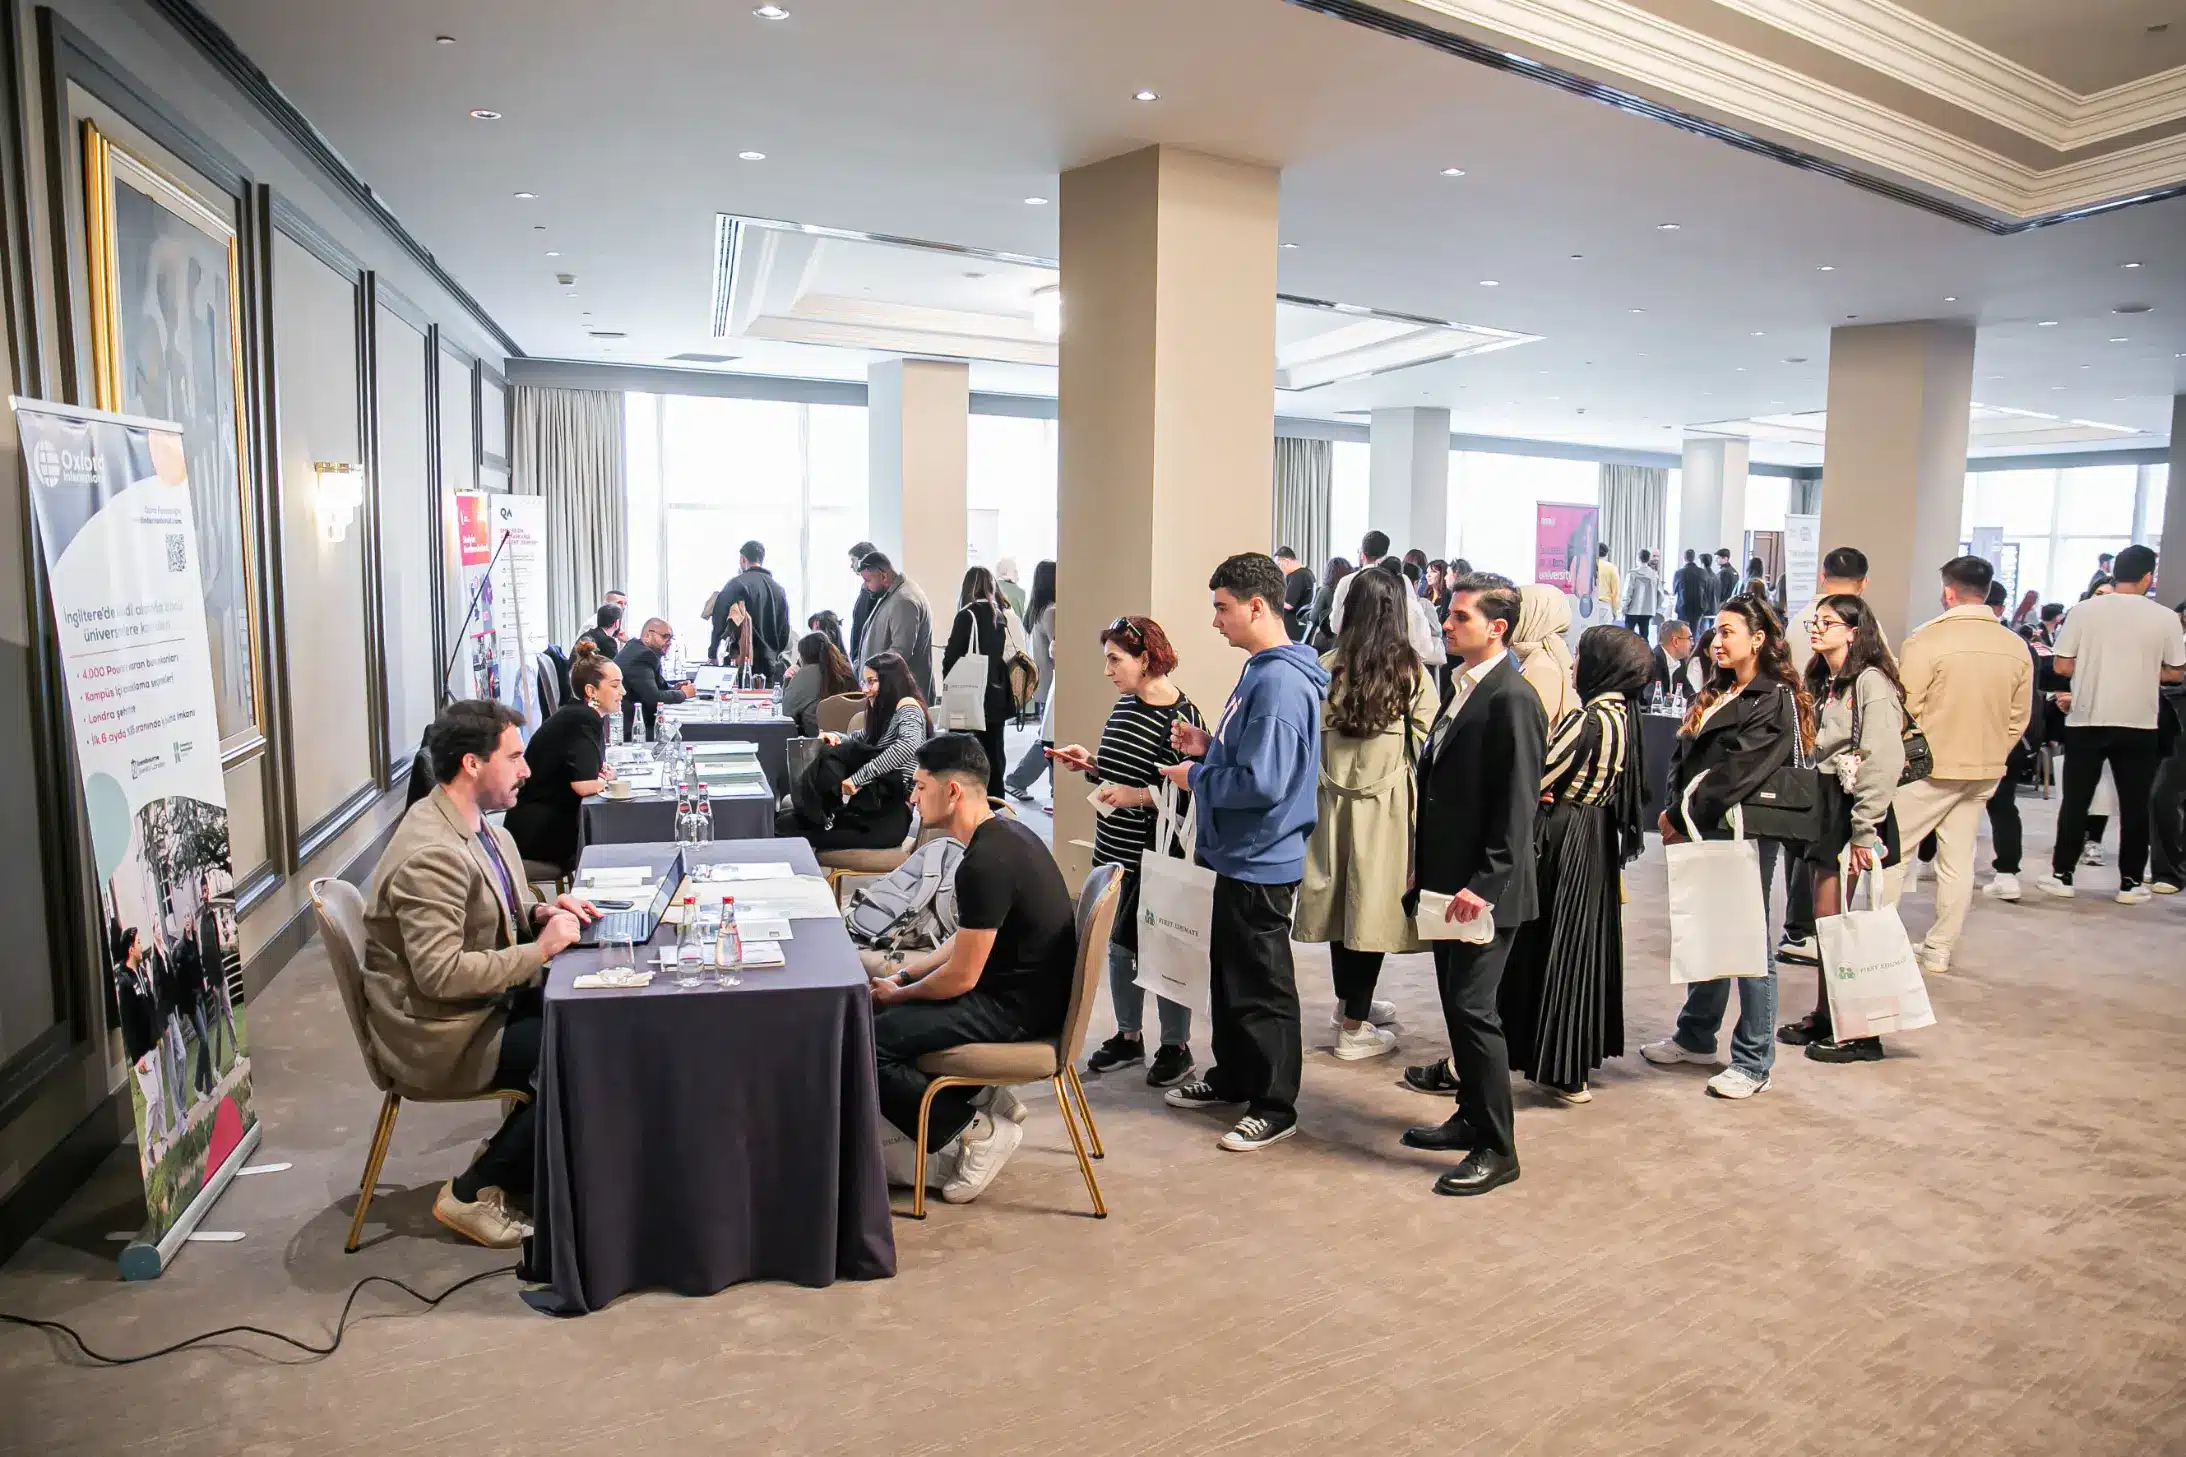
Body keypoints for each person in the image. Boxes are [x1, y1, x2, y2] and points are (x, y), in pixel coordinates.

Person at [362, 700, 598, 1248]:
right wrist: (540, 950)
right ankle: (472, 1191)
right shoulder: (431, 855)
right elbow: (441, 975)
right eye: (513, 758)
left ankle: (523, 1165)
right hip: (439, 1033)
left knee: (594, 1022)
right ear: (472, 764)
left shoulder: (477, 827)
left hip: (476, 1007)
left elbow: (487, 914)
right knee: (583, 1050)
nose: (527, 770)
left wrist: (541, 914)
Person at [1157, 554, 1327, 1153]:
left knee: (1262, 986)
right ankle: (1234, 1075)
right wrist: (1211, 747)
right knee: (1231, 979)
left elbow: (1264, 782)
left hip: (1260, 857)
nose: (1216, 621)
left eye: (1222, 608)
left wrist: (1197, 777)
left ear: (1257, 606)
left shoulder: (1279, 682)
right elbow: (1255, 756)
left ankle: (1275, 1104)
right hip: (1236, 852)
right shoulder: (1263, 671)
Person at [869, 735, 1077, 1205]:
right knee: (885, 1016)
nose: (913, 798)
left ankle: (975, 1131)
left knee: (870, 1040)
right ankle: (985, 1098)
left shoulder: (985, 863)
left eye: (920, 787)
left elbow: (961, 978)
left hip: (1017, 1010)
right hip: (1024, 993)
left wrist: (899, 995)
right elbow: (966, 941)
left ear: (952, 792)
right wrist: (905, 978)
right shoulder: (1006, 833)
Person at [1397, 572, 1545, 1197]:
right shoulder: (1463, 686)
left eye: (1460, 617)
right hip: (1447, 881)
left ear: (1497, 628)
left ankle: (1498, 1147)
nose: (1447, 624)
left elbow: (1517, 804)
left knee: (1474, 1010)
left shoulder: (1512, 698)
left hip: (1484, 889)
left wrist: (1486, 882)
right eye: (1449, 614)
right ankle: (1469, 1117)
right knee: (1456, 1004)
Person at [1640, 595, 1810, 1100]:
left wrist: (1680, 813)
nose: (1717, 641)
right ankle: (1695, 1035)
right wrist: (1676, 810)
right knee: (1709, 932)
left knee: (1749, 942)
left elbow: (1740, 770)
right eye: (1716, 631)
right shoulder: (1720, 689)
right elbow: (1687, 755)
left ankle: (1754, 1061)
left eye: (1729, 631)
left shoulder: (1772, 697)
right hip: (1705, 824)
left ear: (1758, 639)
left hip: (1743, 831)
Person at [1049, 616, 1205, 1086]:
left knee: (1164, 947)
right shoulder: (1124, 706)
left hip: (1158, 855)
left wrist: (1136, 797)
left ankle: (1176, 1045)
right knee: (1119, 947)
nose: (1108, 670)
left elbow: (1194, 791)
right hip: (1114, 850)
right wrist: (1090, 764)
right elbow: (1120, 770)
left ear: (1146, 659)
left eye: (1115, 660)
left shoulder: (1183, 719)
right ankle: (1129, 1035)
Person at [1500, 625, 1651, 1105]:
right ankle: (1570, 1065)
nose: (1572, 664)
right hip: (1595, 837)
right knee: (1581, 947)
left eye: (1581, 655)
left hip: (1565, 836)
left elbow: (1536, 773)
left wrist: (1537, 789)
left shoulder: (1588, 720)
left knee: (1549, 945)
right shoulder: (1624, 717)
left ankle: (1555, 1066)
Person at [1294, 567, 1435, 1062]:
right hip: (1387, 807)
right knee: (1372, 907)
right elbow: (1429, 743)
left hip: (1329, 804)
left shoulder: (1324, 666)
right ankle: (1354, 1028)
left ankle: (1348, 1005)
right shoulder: (1410, 672)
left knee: (1339, 903)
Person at [1878, 557, 2030, 971]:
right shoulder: (2015, 646)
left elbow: (1905, 710)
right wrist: (1993, 751)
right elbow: (2019, 717)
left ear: (1948, 591)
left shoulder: (1927, 640)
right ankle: (1939, 950)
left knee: (1892, 854)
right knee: (1959, 861)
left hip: (1928, 769)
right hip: (1984, 769)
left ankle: (1879, 946)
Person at [1776, 594, 1906, 1063]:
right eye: (1815, 621)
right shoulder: (1824, 679)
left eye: (1827, 622)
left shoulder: (1871, 682)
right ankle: (1827, 1013)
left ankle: (1858, 1030)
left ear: (1854, 631)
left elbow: (1883, 758)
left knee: (1839, 921)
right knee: (1826, 920)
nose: (1816, 628)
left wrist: (1865, 831)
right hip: (1825, 800)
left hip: (1853, 808)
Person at [2042, 545, 2186, 902]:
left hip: (2086, 719)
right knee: (2134, 806)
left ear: (2114, 572)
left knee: (2076, 801)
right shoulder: (2165, 617)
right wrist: (2143, 669)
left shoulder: (2083, 611)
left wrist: (2095, 668)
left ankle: (2062, 875)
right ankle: (2131, 883)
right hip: (2139, 722)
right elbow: (2175, 672)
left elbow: (2061, 665)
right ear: (2148, 577)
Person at [780, 652, 930, 850]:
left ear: (891, 682)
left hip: (888, 819)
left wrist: (858, 778)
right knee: (784, 822)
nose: (866, 690)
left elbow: (908, 746)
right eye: (865, 682)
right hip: (871, 811)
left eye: (872, 682)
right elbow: (861, 738)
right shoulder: (887, 713)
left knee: (786, 827)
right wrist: (834, 736)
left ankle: (816, 809)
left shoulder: (907, 706)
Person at [504, 640, 623, 875]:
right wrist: (605, 781)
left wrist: (600, 778)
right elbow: (584, 785)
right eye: (615, 685)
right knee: (618, 839)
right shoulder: (582, 720)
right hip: (539, 833)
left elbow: (587, 773)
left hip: (536, 822)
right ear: (591, 691)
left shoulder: (578, 714)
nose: (623, 692)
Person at [1981, 579, 2044, 904]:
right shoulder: (2020, 646)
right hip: (2008, 738)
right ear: (2002, 608)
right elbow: (2028, 702)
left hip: (1958, 735)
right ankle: (2007, 873)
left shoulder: (1939, 638)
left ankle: (1926, 861)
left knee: (1943, 801)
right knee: (2003, 804)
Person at [942, 566, 1016, 799]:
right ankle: (996, 802)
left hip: (970, 694)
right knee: (994, 753)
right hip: (996, 694)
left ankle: (967, 802)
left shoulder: (967, 615)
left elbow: (951, 659)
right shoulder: (999, 615)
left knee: (964, 754)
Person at [1328, 530, 1447, 670]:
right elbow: (1419, 638)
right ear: (1385, 553)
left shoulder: (1347, 581)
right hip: (1398, 665)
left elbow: (1336, 625)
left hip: (1352, 660)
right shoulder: (1403, 581)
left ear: (1362, 555)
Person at [1005, 560, 1059, 799]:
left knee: (1051, 738)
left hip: (1042, 682)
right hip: (1052, 683)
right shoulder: (1052, 611)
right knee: (1049, 740)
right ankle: (1018, 779)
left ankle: (1054, 791)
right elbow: (1058, 649)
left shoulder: (1037, 610)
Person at [857, 551, 937, 701]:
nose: (865, 585)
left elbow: (900, 652)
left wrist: (872, 674)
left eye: (867, 580)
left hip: (902, 697)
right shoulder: (893, 594)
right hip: (892, 693)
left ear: (884, 576)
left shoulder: (904, 600)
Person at [1787, 546, 1873, 676]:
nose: (1815, 629)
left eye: (1827, 623)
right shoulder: (1865, 621)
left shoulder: (1797, 620)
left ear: (1822, 578)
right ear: (1864, 582)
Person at [2149, 600, 2186, 896]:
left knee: (2164, 795)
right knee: (2161, 796)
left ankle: (2171, 870)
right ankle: (2168, 869)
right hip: (2172, 727)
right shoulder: (2172, 642)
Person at [1512, 584, 1578, 730]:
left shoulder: (1541, 668)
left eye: (1517, 613)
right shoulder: (1539, 658)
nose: (1509, 620)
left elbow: (1526, 730)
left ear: (1536, 617)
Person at [613, 617, 690, 740]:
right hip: (633, 729)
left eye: (671, 638)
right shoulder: (643, 656)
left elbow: (653, 685)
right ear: (648, 635)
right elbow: (653, 697)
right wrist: (683, 694)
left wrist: (675, 688)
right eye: (665, 636)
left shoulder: (637, 648)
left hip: (635, 722)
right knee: (681, 736)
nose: (669, 642)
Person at [782, 630, 858, 736]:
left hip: (820, 738)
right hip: (852, 735)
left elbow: (786, 711)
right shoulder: (847, 670)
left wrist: (787, 679)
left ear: (804, 655)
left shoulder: (805, 675)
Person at [846, 541, 882, 661]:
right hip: (860, 655)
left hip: (868, 657)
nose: (851, 566)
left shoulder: (874, 591)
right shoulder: (866, 588)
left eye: (853, 560)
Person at [1309, 555, 1353, 651]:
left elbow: (1313, 617)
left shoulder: (1325, 590)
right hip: (1348, 638)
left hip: (1327, 640)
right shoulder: (1352, 589)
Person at [1274, 546, 1316, 641]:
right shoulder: (1306, 573)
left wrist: (1271, 600)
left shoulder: (1298, 576)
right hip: (1299, 625)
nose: (1279, 568)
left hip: (1293, 628)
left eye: (1279, 564)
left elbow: (1289, 604)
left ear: (1286, 561)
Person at [1623, 548, 1663, 640]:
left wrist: (1624, 607)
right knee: (1644, 637)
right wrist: (1655, 607)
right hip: (1648, 611)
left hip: (1632, 610)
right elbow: (1661, 595)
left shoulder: (1632, 574)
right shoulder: (1654, 575)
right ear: (1648, 559)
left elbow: (1627, 593)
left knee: (1628, 638)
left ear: (1638, 558)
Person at [1672, 548, 1715, 628]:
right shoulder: (1703, 572)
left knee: (1682, 631)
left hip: (1683, 608)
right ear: (1694, 558)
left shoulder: (1679, 573)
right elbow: (1707, 589)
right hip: (1698, 608)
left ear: (1684, 558)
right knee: (1694, 631)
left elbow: (1674, 591)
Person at [1651, 619, 1693, 698]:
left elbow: (1689, 693)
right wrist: (1674, 700)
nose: (1693, 643)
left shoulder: (1680, 662)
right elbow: (1654, 697)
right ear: (1676, 641)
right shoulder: (1653, 661)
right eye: (1689, 639)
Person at [993, 556, 1029, 625]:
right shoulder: (1019, 592)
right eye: (1015, 571)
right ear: (1006, 572)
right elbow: (1020, 622)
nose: (1017, 575)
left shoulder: (989, 589)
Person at [1593, 543, 1622, 625]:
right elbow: (1616, 591)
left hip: (1589, 605)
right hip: (1604, 605)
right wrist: (1615, 610)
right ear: (1607, 554)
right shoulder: (1611, 568)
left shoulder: (1588, 565)